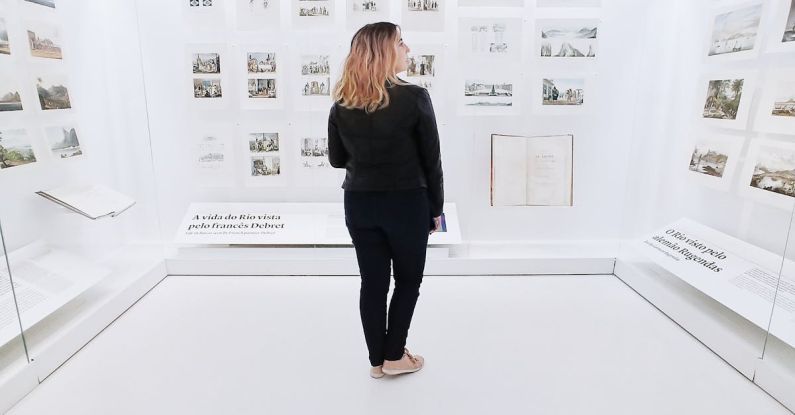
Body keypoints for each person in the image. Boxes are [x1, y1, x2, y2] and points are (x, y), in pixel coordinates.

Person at [328, 22, 443, 379]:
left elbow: (335, 158)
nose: (407, 49)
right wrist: (436, 210)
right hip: (407, 204)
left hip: (360, 204)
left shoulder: (342, 103)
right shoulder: (414, 97)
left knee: (372, 282)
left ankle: (377, 361)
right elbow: (432, 161)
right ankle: (395, 356)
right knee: (408, 281)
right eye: (401, 42)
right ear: (384, 51)